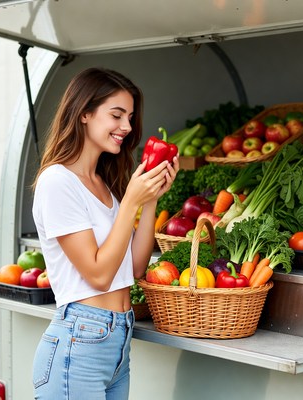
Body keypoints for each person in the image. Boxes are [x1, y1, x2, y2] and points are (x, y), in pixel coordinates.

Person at [31, 67, 179, 400]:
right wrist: (130, 202)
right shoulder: (58, 182)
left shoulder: (104, 188)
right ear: (84, 112)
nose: (127, 127)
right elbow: (98, 275)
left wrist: (151, 200)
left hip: (116, 342)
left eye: (129, 116)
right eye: (116, 115)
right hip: (80, 340)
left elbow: (135, 268)